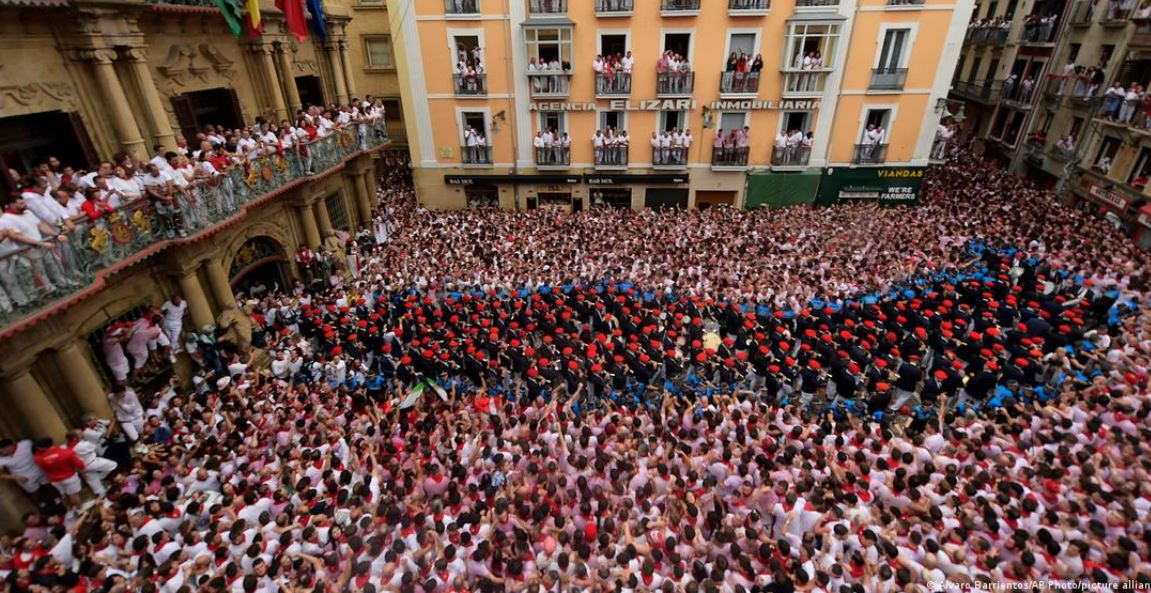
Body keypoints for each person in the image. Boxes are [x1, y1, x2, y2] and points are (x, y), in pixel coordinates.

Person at [31, 437, 85, 510]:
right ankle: (80, 509)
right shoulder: (66, 452)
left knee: (64, 495)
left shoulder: (38, 458)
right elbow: (80, 465)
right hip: (69, 477)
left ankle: (70, 510)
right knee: (73, 494)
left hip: (55, 480)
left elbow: (37, 454)